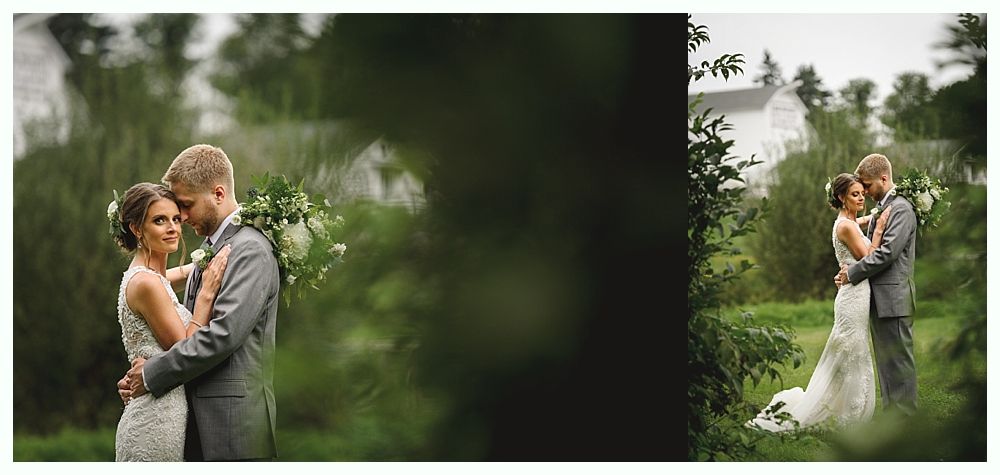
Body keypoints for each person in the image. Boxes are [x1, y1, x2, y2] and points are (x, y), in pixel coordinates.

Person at [117, 144, 282, 461]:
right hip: (195, 421)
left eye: (187, 206)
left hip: (233, 424)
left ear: (218, 194)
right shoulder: (212, 248)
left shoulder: (250, 249)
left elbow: (223, 335)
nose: (183, 217)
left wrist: (152, 372)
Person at [747, 173, 892, 432]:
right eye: (854, 194)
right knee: (850, 350)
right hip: (853, 296)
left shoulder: (848, 221)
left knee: (850, 349)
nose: (861, 198)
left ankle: (843, 406)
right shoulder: (845, 226)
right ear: (841, 197)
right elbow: (869, 256)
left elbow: (856, 222)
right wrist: (879, 230)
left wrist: (870, 217)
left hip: (854, 292)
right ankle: (841, 411)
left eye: (862, 193)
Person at [112, 182, 232, 461]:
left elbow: (180, 274)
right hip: (154, 419)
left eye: (176, 219)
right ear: (137, 229)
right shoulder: (146, 284)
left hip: (166, 410)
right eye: (159, 220)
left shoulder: (150, 278)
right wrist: (205, 296)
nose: (173, 228)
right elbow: (185, 349)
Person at [835, 153, 919, 416]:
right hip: (879, 298)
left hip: (894, 298)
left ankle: (905, 417)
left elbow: (887, 253)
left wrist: (852, 273)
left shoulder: (902, 208)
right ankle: (893, 414)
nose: (866, 192)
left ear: (884, 178)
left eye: (868, 186)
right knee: (886, 362)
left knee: (899, 361)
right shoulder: (884, 207)